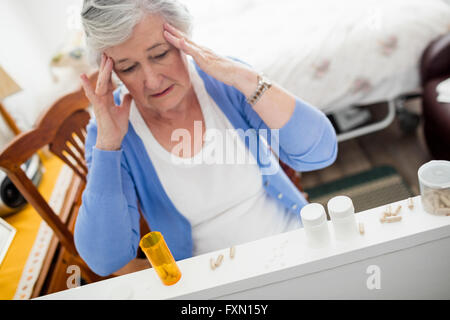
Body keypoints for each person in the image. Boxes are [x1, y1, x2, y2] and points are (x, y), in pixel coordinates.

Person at [76, 0, 338, 276]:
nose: (152, 81)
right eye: (128, 68)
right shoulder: (110, 132)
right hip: (214, 283)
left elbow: (320, 153)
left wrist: (246, 80)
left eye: (160, 54)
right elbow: (105, 260)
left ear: (183, 38)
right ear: (111, 72)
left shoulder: (225, 82)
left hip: (297, 245)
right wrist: (108, 145)